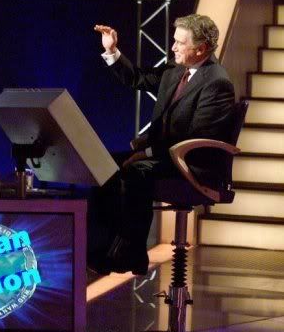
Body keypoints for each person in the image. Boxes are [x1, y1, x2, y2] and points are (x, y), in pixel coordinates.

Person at [89, 14, 237, 276]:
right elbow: (138, 79)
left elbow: (195, 138)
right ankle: (100, 248)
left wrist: (146, 152)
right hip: (166, 154)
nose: (173, 47)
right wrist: (111, 50)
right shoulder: (176, 69)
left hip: (192, 164)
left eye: (180, 43)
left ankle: (131, 253)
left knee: (136, 171)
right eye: (174, 41)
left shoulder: (217, 83)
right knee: (104, 164)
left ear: (201, 49)